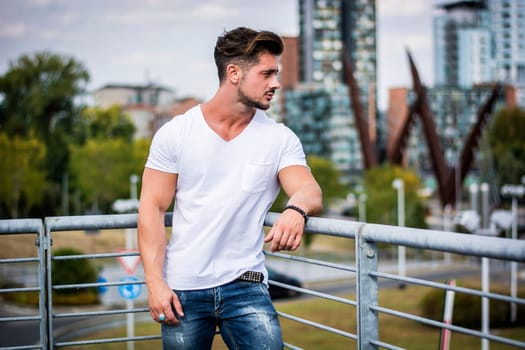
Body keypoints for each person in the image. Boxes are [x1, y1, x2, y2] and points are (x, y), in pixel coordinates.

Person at [137, 26, 323, 349]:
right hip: (183, 290)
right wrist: (155, 282)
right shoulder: (176, 134)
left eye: (276, 74)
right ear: (234, 73)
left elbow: (309, 190)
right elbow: (152, 208)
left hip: (246, 286)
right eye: (267, 74)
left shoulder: (279, 139)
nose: (276, 83)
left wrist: (296, 210)